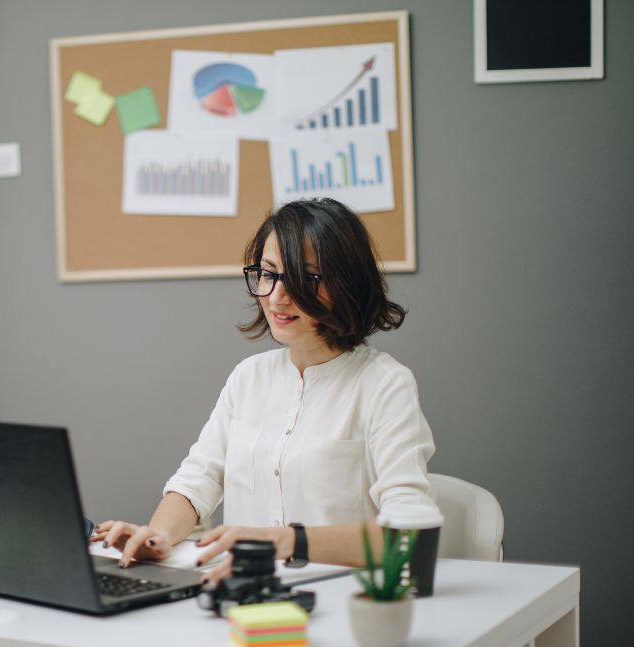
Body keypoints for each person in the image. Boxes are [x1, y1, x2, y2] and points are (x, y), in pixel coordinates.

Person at [93, 198, 438, 584]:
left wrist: (283, 541)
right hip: (240, 593)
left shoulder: (384, 384)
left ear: (347, 283)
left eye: (305, 278)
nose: (277, 296)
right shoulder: (249, 377)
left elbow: (409, 535)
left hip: (339, 597)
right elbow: (197, 481)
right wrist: (158, 537)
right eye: (269, 273)